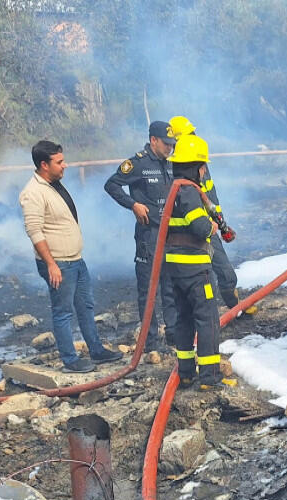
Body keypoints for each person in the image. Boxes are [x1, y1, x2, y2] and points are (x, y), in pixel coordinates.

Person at [19, 141, 124, 373]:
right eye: (59, 162)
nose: (65, 165)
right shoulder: (33, 192)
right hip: (59, 264)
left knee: (86, 306)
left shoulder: (54, 185)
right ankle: (70, 360)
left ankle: (96, 350)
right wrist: (51, 265)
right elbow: (34, 231)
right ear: (44, 165)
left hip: (75, 259)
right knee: (63, 312)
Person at [165, 134, 231, 391]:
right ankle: (210, 377)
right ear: (195, 166)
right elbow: (198, 225)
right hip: (195, 267)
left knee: (184, 319)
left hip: (176, 268)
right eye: (202, 166)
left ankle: (186, 373)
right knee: (208, 320)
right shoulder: (190, 192)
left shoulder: (173, 189)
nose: (204, 171)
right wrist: (212, 226)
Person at [168, 115, 253, 314]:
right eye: (187, 136)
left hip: (208, 225)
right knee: (199, 279)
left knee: (223, 271)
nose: (192, 139)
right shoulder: (177, 169)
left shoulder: (198, 164)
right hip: (189, 232)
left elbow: (210, 197)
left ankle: (234, 307)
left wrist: (221, 224)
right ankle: (205, 317)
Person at [104, 120, 176, 351]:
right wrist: (133, 204)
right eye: (166, 144)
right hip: (150, 234)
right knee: (149, 288)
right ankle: (150, 341)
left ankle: (174, 335)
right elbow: (112, 185)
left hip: (171, 232)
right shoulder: (137, 164)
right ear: (153, 140)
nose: (170, 148)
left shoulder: (170, 164)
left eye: (172, 144)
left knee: (170, 285)